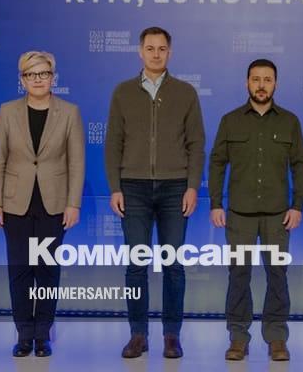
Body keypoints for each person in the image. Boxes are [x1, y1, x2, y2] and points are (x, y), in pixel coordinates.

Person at [105, 26, 205, 359]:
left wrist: (192, 186)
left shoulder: (185, 92)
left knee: (173, 264)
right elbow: (113, 143)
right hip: (132, 187)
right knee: (136, 264)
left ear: (170, 52)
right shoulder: (122, 92)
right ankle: (138, 334)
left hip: (175, 187)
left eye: (162, 49)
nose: (156, 54)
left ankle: (171, 335)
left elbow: (196, 144)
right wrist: (115, 187)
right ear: (140, 52)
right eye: (150, 48)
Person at [209, 58, 303, 362]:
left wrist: (297, 206)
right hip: (239, 214)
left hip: (278, 215)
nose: (261, 85)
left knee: (277, 274)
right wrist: (216, 203)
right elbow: (217, 163)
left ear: (275, 84)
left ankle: (276, 337)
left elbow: (300, 165)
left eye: (267, 79)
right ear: (247, 83)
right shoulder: (230, 120)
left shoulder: (290, 121)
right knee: (239, 275)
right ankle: (238, 337)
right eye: (256, 79)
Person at [0, 51, 85, 358]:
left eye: (44, 74)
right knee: (20, 270)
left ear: (53, 77)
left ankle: (42, 335)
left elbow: (76, 162)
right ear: (22, 79)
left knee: (47, 270)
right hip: (15, 203)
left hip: (53, 204)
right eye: (31, 74)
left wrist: (73, 204)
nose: (38, 79)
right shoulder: (7, 111)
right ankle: (23, 335)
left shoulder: (69, 112)